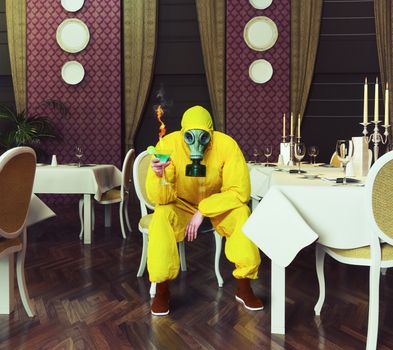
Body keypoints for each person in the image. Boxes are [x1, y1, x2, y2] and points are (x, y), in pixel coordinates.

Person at [146, 105, 263, 316]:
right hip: (180, 204)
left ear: (211, 134)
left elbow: (239, 192)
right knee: (162, 216)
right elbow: (160, 199)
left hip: (216, 205)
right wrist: (159, 176)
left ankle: (244, 285)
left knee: (242, 214)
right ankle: (162, 289)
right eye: (190, 137)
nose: (197, 144)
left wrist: (203, 210)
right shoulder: (168, 144)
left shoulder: (227, 145)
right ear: (183, 134)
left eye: (204, 137)